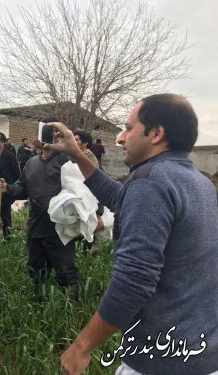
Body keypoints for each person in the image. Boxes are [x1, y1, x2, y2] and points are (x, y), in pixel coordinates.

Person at [55, 94, 218, 375]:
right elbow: (122, 199)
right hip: (200, 353)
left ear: (156, 134)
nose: (120, 138)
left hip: (160, 361)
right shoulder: (197, 182)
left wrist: (82, 347)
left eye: (129, 128)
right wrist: (78, 155)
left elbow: (135, 280)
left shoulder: (151, 184)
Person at [0, 130, 81, 301]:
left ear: (60, 137)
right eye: (45, 133)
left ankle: (71, 311)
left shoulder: (67, 162)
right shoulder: (31, 163)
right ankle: (40, 304)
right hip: (36, 225)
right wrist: (8, 188)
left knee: (66, 271)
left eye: (55, 134)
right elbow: (23, 189)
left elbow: (82, 190)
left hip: (60, 228)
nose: (49, 138)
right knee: (36, 269)